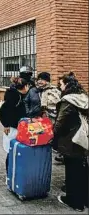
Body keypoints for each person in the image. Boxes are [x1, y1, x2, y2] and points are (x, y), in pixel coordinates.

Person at [54, 72, 88, 212]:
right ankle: (85, 199)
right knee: (82, 168)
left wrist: (52, 135)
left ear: (67, 85)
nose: (60, 87)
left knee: (72, 170)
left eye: (61, 84)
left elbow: (60, 123)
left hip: (71, 139)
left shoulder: (68, 100)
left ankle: (74, 201)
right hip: (83, 137)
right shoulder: (83, 97)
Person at [0, 77, 28, 175]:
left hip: (16, 127)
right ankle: (10, 175)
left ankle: (13, 175)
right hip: (12, 128)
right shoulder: (14, 96)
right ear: (25, 86)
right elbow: (4, 110)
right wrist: (6, 124)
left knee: (14, 151)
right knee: (11, 152)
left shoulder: (18, 95)